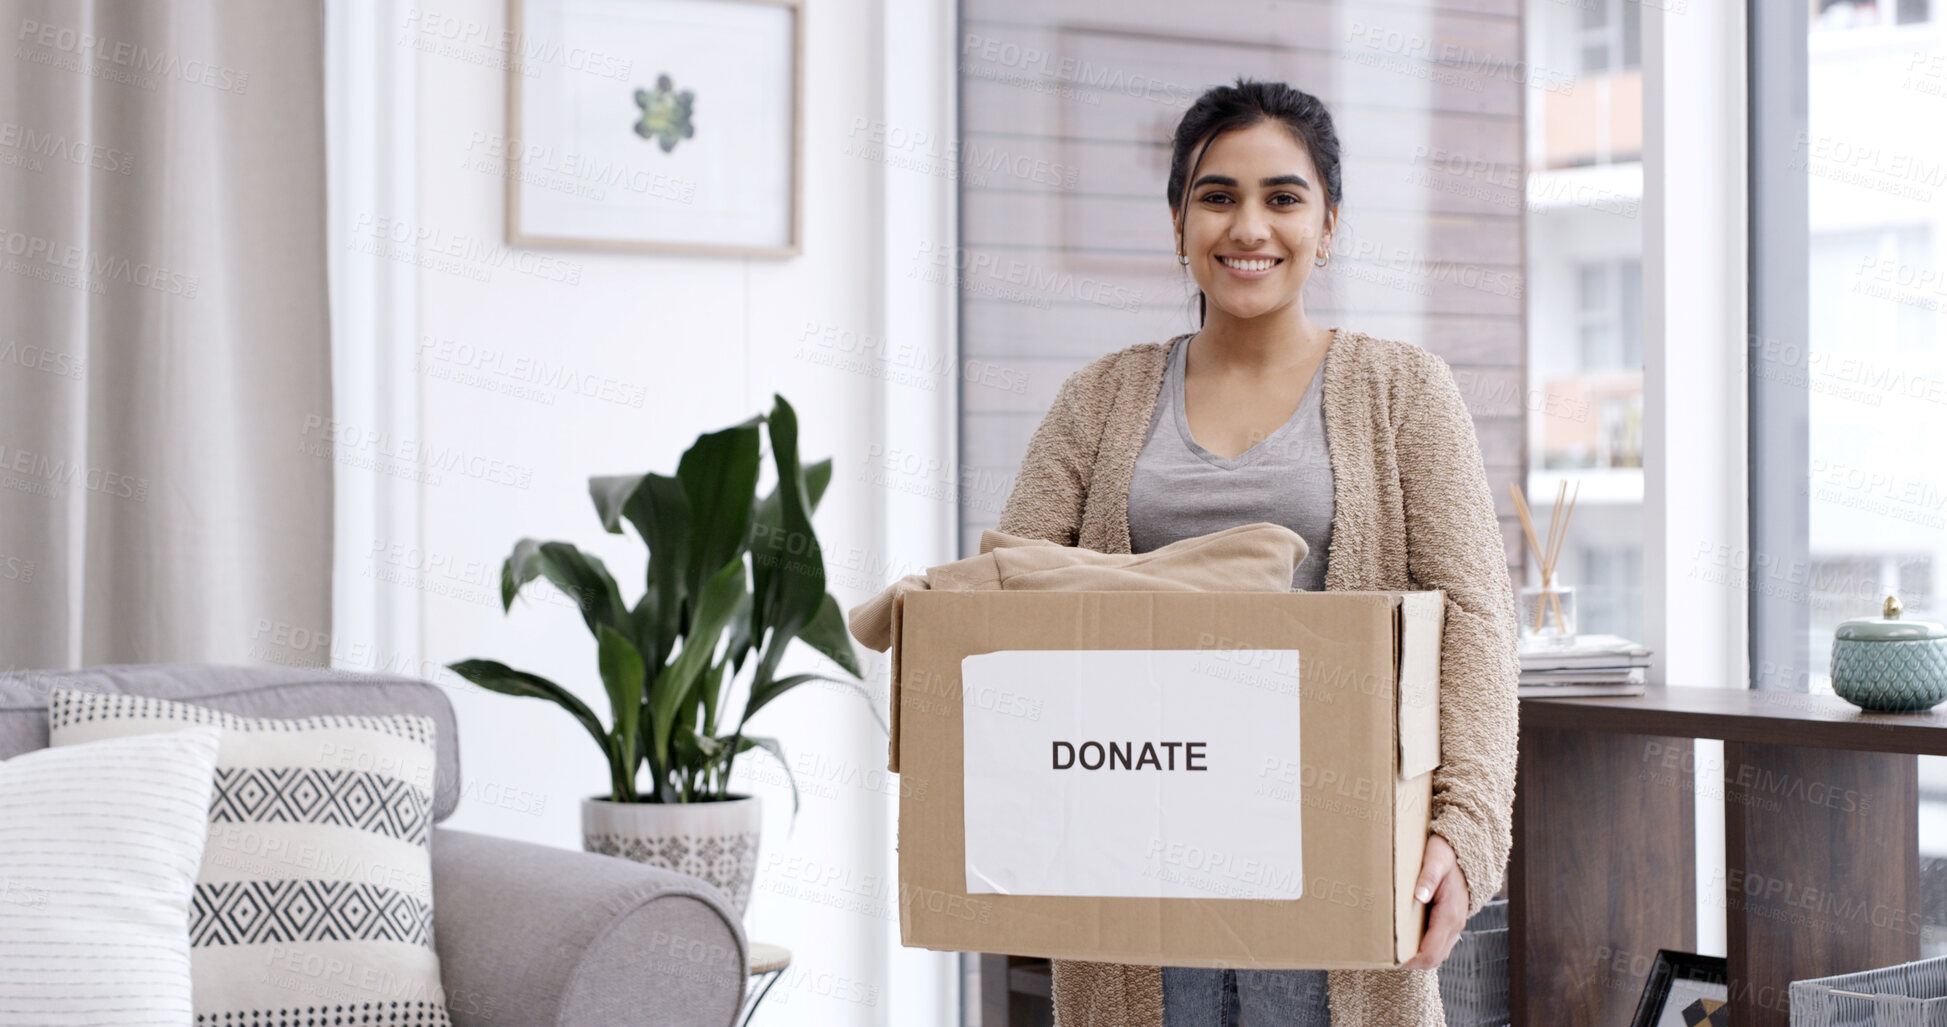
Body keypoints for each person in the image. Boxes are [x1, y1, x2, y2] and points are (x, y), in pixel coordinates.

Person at [992, 79, 1521, 1027]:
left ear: (1327, 225)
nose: (1249, 227)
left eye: (1283, 197)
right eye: (1216, 195)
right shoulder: (1098, 399)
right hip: (1134, 849)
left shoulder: (1403, 391)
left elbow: (1474, 620)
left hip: (1339, 847)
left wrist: (1465, 827)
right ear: (1177, 222)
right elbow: (1007, 592)